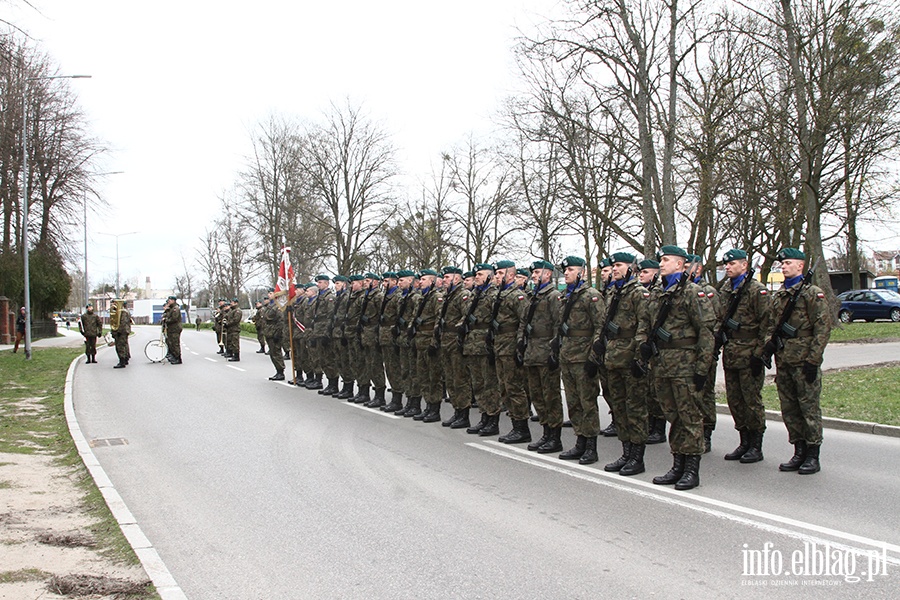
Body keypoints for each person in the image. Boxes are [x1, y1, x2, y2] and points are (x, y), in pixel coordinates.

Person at [638, 245, 714, 490]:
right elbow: (645, 323)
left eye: (666, 260)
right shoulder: (659, 293)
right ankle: (677, 463)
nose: (661, 263)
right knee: (673, 416)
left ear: (681, 264)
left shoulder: (692, 292)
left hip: (685, 365)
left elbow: (706, 331)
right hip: (662, 365)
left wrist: (702, 368)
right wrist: (643, 346)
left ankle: (692, 469)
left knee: (689, 417)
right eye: (661, 259)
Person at [765, 247, 831, 475]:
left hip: (804, 361)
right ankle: (798, 450)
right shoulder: (781, 294)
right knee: (790, 408)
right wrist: (769, 344)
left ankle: (813, 454)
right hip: (784, 360)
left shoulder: (812, 293)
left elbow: (822, 329)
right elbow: (772, 325)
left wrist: (813, 361)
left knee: (808, 408)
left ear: (800, 266)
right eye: (782, 264)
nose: (783, 267)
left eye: (788, 263)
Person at [592, 252, 649, 476]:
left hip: (629, 358)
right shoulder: (614, 292)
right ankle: (626, 452)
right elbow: (604, 322)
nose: (614, 269)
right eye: (613, 266)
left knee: (635, 409)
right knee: (620, 408)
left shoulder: (639, 294)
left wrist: (639, 359)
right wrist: (599, 344)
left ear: (631, 268)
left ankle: (637, 456)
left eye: (618, 265)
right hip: (613, 357)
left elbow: (644, 326)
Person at [715, 249, 772, 464]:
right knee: (735, 400)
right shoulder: (727, 289)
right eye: (726, 265)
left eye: (732, 264)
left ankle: (756, 445)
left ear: (744, 265)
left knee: (751, 400)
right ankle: (744, 440)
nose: (727, 267)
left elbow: (767, 324)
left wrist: (760, 353)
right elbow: (720, 317)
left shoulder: (757, 291)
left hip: (750, 354)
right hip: (731, 352)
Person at [555, 256, 605, 465]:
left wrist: (594, 357)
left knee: (587, 403)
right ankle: (580, 441)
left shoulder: (590, 296)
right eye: (565, 270)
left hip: (583, 357)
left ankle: (591, 446)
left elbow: (599, 326)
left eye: (570, 270)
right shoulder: (565, 296)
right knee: (573, 403)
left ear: (581, 273)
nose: (566, 273)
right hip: (567, 356)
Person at [518, 260, 564, 452]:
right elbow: (523, 322)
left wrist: (554, 352)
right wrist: (520, 343)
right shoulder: (533, 296)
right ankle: (546, 432)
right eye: (533, 273)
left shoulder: (554, 296)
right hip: (532, 352)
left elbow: (558, 325)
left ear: (547, 274)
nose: (534, 276)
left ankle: (555, 436)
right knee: (537, 395)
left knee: (550, 396)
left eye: (537, 272)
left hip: (545, 352)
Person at [262, 291, 286, 381]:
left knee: (276, 353)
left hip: (274, 332)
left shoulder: (278, 306)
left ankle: (281, 371)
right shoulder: (269, 306)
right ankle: (277, 370)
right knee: (272, 353)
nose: (269, 295)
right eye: (268, 293)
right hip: (269, 332)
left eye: (271, 293)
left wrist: (278, 333)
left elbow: (281, 321)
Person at [109, 300, 132, 369]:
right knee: (123, 345)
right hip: (123, 331)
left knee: (120, 346)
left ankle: (122, 361)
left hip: (121, 332)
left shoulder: (122, 312)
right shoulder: (122, 311)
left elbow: (123, 322)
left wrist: (117, 331)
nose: (113, 305)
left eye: (114, 303)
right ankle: (124, 359)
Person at [162, 295, 183, 364]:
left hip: (175, 328)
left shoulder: (175, 309)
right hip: (171, 329)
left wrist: (166, 320)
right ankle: (174, 356)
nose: (168, 301)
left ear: (173, 300)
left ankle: (177, 358)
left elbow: (174, 319)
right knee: (171, 343)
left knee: (175, 343)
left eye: (170, 300)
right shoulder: (171, 308)